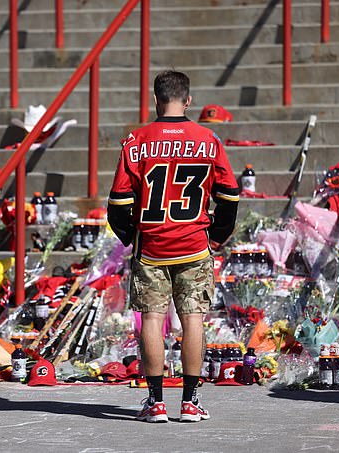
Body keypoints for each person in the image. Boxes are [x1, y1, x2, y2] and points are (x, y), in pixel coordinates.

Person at [107, 70, 239, 423]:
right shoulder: (208, 139)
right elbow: (229, 196)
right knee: (193, 320)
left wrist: (132, 237)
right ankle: (191, 402)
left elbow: (118, 205)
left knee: (152, 320)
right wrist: (216, 236)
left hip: (151, 246)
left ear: (155, 99)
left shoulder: (136, 142)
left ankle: (156, 402)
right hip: (194, 244)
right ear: (189, 100)